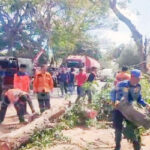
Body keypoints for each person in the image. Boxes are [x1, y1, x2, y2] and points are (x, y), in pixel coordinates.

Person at [112, 69, 150, 150]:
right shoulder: (123, 84)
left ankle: (137, 146)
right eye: (138, 77)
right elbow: (114, 93)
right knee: (118, 128)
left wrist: (146, 104)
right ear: (132, 77)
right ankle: (117, 146)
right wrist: (115, 100)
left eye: (140, 78)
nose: (139, 79)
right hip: (119, 109)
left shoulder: (137, 86)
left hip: (130, 110)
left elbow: (139, 99)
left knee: (134, 127)